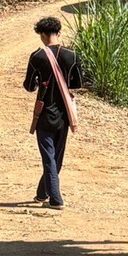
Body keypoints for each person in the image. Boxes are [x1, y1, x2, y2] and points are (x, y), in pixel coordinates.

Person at [23, 16, 83, 209]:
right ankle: (42, 194)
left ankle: (55, 199)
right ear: (59, 33)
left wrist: (41, 82)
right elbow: (77, 84)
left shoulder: (37, 57)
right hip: (64, 115)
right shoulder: (71, 56)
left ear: (41, 35)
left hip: (43, 114)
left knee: (48, 157)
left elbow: (28, 86)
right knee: (56, 157)